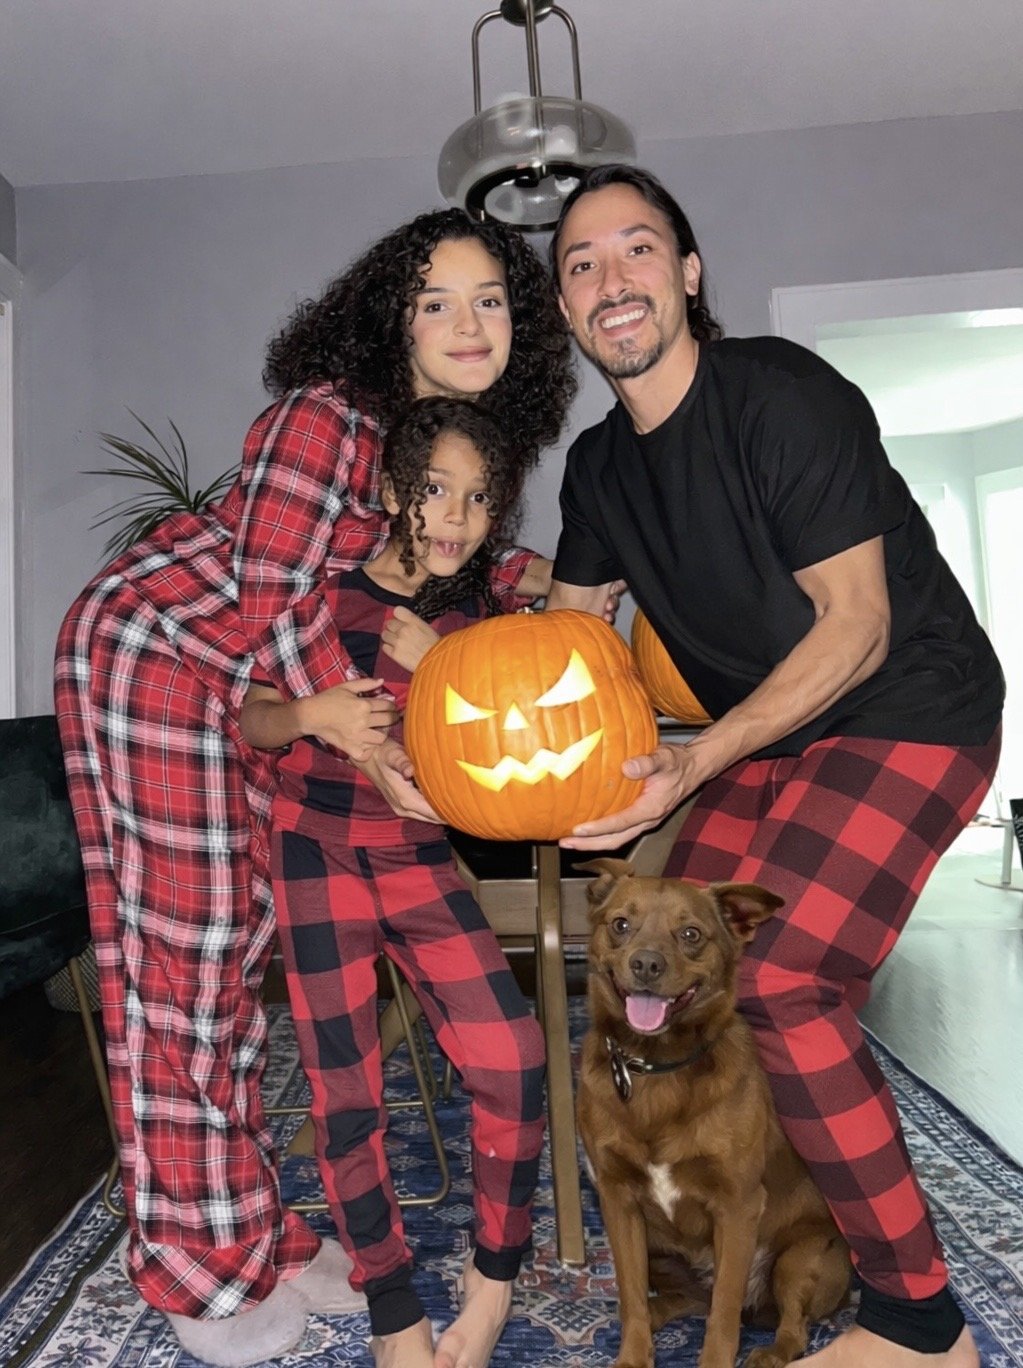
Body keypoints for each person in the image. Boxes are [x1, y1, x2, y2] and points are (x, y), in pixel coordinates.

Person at [53, 207, 575, 1368]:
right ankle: (198, 1269)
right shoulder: (325, 415)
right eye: (432, 299)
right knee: (184, 968)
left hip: (235, 678)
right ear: (385, 319)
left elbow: (426, 558)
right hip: (161, 657)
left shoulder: (420, 441)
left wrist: (552, 579)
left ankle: (258, 1234)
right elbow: (275, 603)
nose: (466, 321)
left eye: (490, 298)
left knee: (238, 958)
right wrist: (376, 745)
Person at [546, 164, 1003, 1368]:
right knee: (667, 947)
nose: (612, 279)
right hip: (773, 734)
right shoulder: (596, 471)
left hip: (912, 703)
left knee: (787, 981)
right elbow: (566, 645)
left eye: (636, 249)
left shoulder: (783, 398)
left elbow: (853, 626)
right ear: (566, 310)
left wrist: (695, 764)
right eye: (581, 265)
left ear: (689, 275)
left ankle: (922, 1324)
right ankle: (730, 1204)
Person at [240, 396, 546, 1368]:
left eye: (477, 498)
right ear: (386, 492)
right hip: (314, 848)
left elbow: (511, 745)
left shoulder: (478, 619)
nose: (454, 515)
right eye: (434, 491)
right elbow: (252, 716)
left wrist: (449, 661)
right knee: (347, 1095)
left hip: (414, 854)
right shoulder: (319, 595)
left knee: (514, 1055)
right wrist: (314, 712)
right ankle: (391, 1307)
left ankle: (492, 1279)